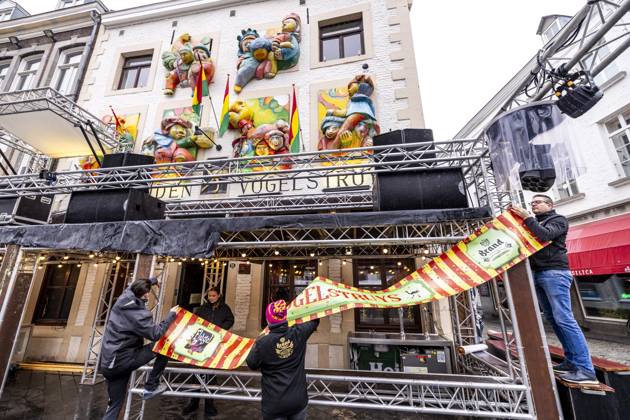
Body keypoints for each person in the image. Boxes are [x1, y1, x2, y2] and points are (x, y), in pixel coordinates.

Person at [511, 194, 598, 385]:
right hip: (539, 273)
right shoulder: (534, 222)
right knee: (554, 319)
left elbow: (544, 235)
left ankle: (585, 369)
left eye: (538, 202)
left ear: (550, 205)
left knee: (564, 319)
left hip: (555, 273)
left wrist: (526, 217)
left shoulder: (557, 220)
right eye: (532, 203)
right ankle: (571, 361)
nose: (533, 205)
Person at [100, 278, 178, 420]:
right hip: (121, 361)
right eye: (147, 292)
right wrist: (171, 315)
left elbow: (131, 286)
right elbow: (155, 334)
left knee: (115, 405)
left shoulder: (123, 298)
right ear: (146, 295)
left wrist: (151, 281)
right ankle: (151, 386)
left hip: (109, 363)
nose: (148, 295)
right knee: (165, 344)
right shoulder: (137, 314)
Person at [246, 300, 319, 420]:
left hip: (274, 403)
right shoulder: (299, 332)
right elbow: (315, 319)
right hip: (298, 401)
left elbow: (252, 363)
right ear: (285, 317)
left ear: (268, 319)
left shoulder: (262, 342)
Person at [182, 287, 234, 417]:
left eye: (213, 295)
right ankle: (193, 403)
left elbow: (230, 320)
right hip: (200, 343)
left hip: (215, 343)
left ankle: (209, 405)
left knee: (211, 375)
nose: (211, 298)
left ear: (218, 296)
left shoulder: (225, 308)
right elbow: (195, 321)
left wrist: (220, 329)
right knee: (196, 374)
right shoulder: (202, 308)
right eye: (209, 295)